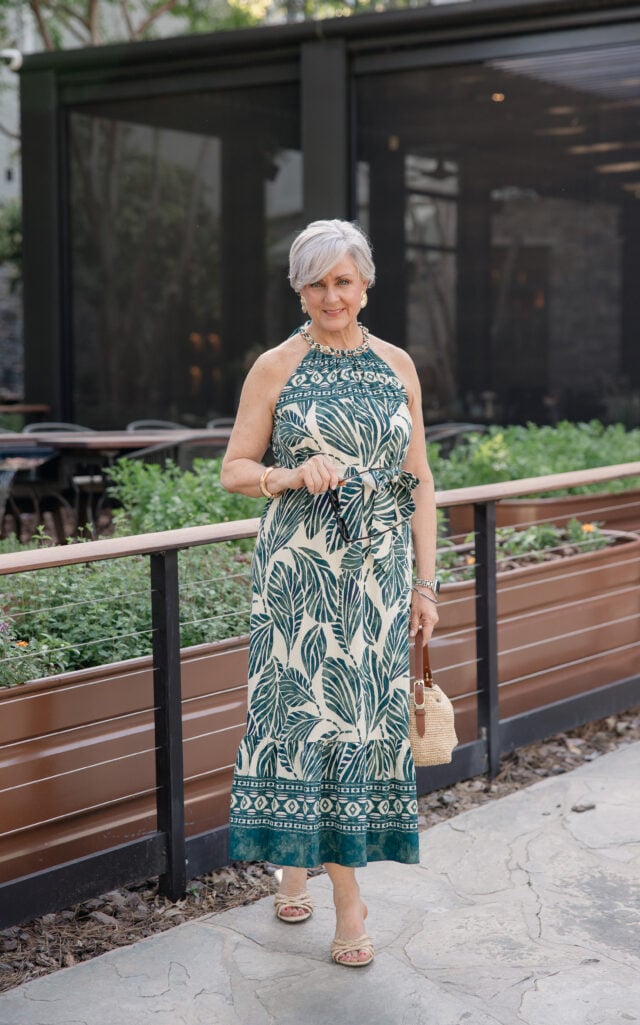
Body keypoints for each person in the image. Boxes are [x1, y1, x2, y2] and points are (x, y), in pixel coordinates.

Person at [221, 219, 438, 967]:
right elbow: (234, 469)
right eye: (315, 282)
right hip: (299, 580)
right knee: (303, 723)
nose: (330, 295)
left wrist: (425, 582)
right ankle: (349, 902)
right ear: (299, 289)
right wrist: (289, 472)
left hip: (376, 581)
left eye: (342, 280)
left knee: (356, 728)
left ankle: (295, 867)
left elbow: (420, 482)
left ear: (365, 284)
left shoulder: (397, 364)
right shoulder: (274, 366)